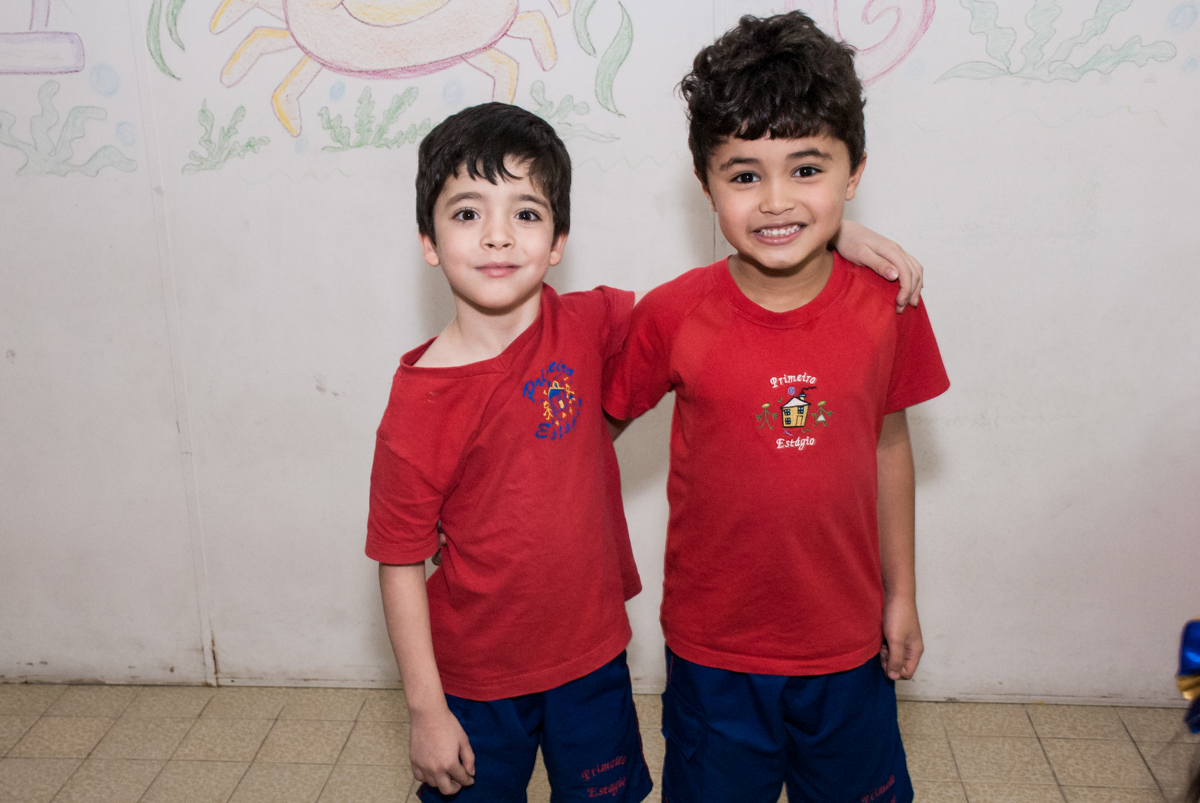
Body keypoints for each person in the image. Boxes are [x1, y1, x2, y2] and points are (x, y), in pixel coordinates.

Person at [366, 101, 925, 801]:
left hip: (595, 662)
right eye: (468, 213)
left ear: (559, 238)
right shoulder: (416, 404)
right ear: (428, 238)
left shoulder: (590, 323)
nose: (498, 238)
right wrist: (424, 708)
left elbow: (752, 269)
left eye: (527, 214)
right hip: (474, 679)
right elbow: (397, 560)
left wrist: (837, 230)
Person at [603, 12, 950, 803]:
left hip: (847, 648)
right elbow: (591, 432)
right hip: (713, 653)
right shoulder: (673, 314)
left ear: (853, 171)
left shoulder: (889, 304)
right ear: (706, 185)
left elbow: (889, 448)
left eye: (806, 169)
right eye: (744, 174)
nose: (774, 200)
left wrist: (903, 595)